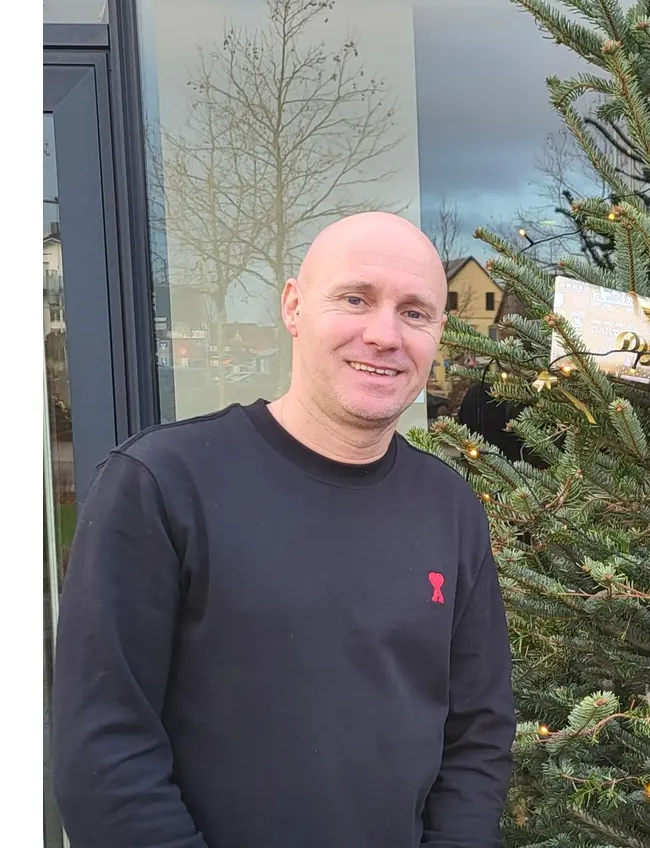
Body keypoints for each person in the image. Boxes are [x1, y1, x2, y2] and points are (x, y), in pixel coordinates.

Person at [52, 212, 515, 847]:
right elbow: (106, 747)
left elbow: (478, 735)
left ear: (438, 331)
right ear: (294, 307)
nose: (385, 335)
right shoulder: (162, 484)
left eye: (415, 313)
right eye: (355, 299)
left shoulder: (450, 506)